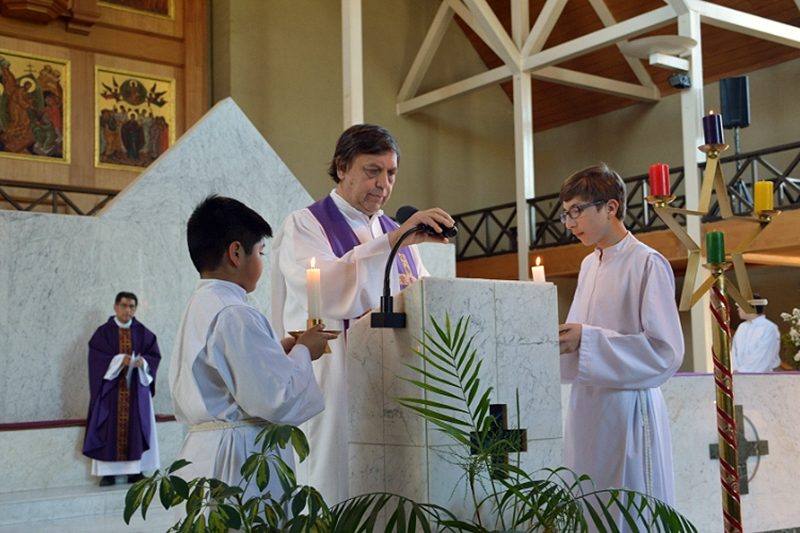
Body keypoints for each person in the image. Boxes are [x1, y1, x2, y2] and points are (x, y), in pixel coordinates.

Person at [271, 123, 455, 505]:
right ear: (342, 168)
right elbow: (324, 285)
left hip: (395, 376)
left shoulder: (397, 232)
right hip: (335, 377)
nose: (383, 184)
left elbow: (419, 297)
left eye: (391, 174)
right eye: (373, 171)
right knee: (335, 481)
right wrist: (389, 242)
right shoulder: (306, 223)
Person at [169, 195, 337, 502]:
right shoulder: (235, 312)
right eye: (260, 252)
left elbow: (234, 373)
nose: (262, 261)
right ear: (236, 252)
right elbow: (277, 399)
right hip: (239, 457)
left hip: (205, 451)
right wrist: (303, 351)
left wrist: (279, 350)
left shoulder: (203, 303)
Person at [557, 164, 684, 519]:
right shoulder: (588, 265)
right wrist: (566, 341)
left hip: (629, 409)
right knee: (589, 504)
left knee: (627, 510)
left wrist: (588, 340)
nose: (569, 223)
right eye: (565, 214)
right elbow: (581, 336)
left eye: (576, 211)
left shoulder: (646, 263)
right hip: (587, 407)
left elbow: (665, 351)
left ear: (610, 207)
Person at [82, 291, 161, 487]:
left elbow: (154, 356)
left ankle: (135, 471)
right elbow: (96, 359)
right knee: (108, 428)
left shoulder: (143, 333)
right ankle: (107, 473)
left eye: (132, 306)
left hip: (135, 391)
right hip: (111, 392)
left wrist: (143, 362)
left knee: (136, 427)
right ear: (115, 307)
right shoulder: (103, 333)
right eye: (124, 306)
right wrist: (118, 360)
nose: (128, 310)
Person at [732, 294, 780, 372]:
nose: (738, 309)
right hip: (738, 376)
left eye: (740, 306)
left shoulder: (768, 328)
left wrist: (743, 371)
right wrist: (736, 370)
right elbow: (734, 352)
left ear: (751, 307)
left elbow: (763, 356)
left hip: (761, 377)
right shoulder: (742, 327)